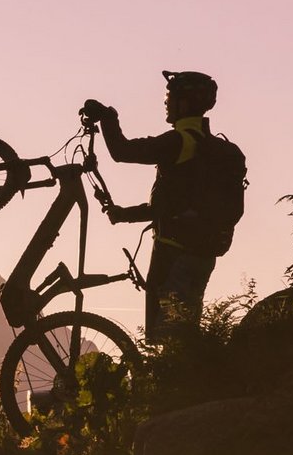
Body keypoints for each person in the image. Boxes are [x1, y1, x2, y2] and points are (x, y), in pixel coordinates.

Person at [81, 71, 246, 345]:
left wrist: (108, 117)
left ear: (184, 103)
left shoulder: (179, 142)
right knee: (184, 328)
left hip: (173, 254)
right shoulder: (209, 147)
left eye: (170, 97)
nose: (166, 103)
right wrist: (124, 215)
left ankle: (184, 386)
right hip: (203, 252)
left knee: (171, 337)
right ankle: (192, 379)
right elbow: (173, 206)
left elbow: (123, 152)